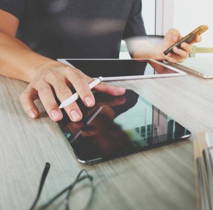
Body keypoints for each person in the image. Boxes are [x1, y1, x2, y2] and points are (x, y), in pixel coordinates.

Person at [0, 0, 201, 122]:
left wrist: (160, 49)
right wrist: (44, 68)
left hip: (103, 94)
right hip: (38, 91)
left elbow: (136, 47)